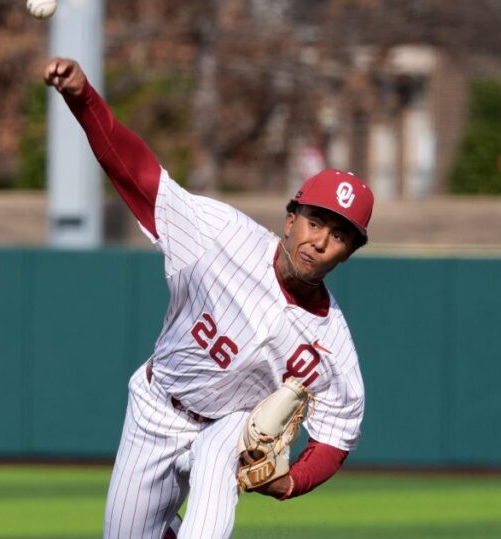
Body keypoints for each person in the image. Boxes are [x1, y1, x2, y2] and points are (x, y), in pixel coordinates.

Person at [44, 57, 374, 539]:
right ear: (291, 220)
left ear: (349, 253)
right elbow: (136, 172)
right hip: (158, 408)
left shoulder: (332, 344)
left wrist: (291, 482)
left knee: (220, 449)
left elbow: (338, 431)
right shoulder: (218, 235)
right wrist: (82, 98)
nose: (321, 240)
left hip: (228, 427)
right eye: (315, 221)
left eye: (340, 235)